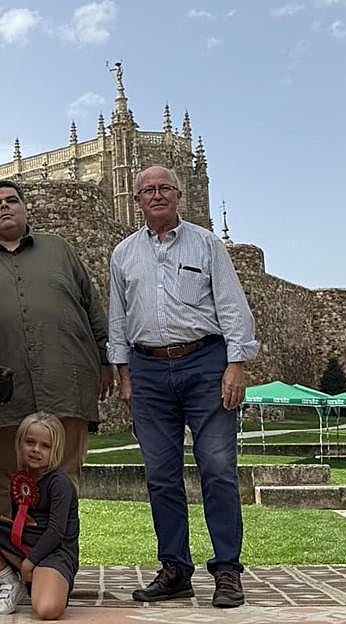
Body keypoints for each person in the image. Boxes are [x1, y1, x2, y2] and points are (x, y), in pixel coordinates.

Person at [108, 165, 258, 609]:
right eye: (147, 190)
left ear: (179, 195)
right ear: (135, 200)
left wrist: (237, 364)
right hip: (149, 368)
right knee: (161, 476)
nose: (156, 196)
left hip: (205, 362)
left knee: (217, 467)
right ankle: (175, 569)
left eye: (164, 189)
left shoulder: (207, 243)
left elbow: (232, 306)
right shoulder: (123, 254)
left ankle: (227, 570)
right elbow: (119, 317)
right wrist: (124, 373)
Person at [0, 180, 112, 596]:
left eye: (12, 201)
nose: (4, 208)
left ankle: (54, 563)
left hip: (63, 382)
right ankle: (0, 567)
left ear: (25, 209)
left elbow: (91, 303)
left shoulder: (59, 250)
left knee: (62, 477)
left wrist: (104, 358)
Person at [0, 412, 79, 619]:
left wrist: (30, 562)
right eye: (30, 442)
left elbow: (56, 531)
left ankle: (42, 578)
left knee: (46, 609)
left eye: (45, 446)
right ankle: (10, 581)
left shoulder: (60, 483)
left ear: (56, 450)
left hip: (55, 551)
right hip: (27, 541)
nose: (36, 450)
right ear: (19, 444)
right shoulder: (21, 478)